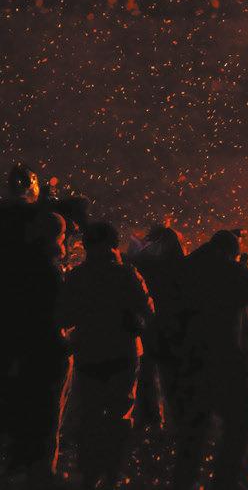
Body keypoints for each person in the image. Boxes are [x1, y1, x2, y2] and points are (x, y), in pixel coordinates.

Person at [171, 229, 248, 490]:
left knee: (193, 432)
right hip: (227, 361)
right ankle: (224, 482)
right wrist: (245, 269)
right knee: (240, 422)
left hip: (191, 359)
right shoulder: (231, 270)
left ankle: (183, 482)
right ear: (232, 251)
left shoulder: (187, 267)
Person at [56, 222, 155, 490]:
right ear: (113, 243)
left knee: (89, 415)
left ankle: (88, 474)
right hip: (123, 354)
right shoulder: (127, 274)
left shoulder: (77, 276)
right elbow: (147, 311)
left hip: (89, 354)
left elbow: (64, 315)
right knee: (119, 415)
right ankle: (111, 473)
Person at [3, 210, 69, 487]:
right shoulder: (48, 270)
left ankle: (20, 465)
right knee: (46, 415)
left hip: (24, 350)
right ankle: (41, 473)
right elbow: (59, 313)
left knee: (26, 409)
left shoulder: (17, 264)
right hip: (47, 349)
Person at [128, 225, 187, 427]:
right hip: (167, 325)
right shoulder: (178, 267)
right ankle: (175, 421)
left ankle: (151, 419)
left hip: (149, 324)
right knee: (171, 373)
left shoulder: (140, 263)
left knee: (147, 372)